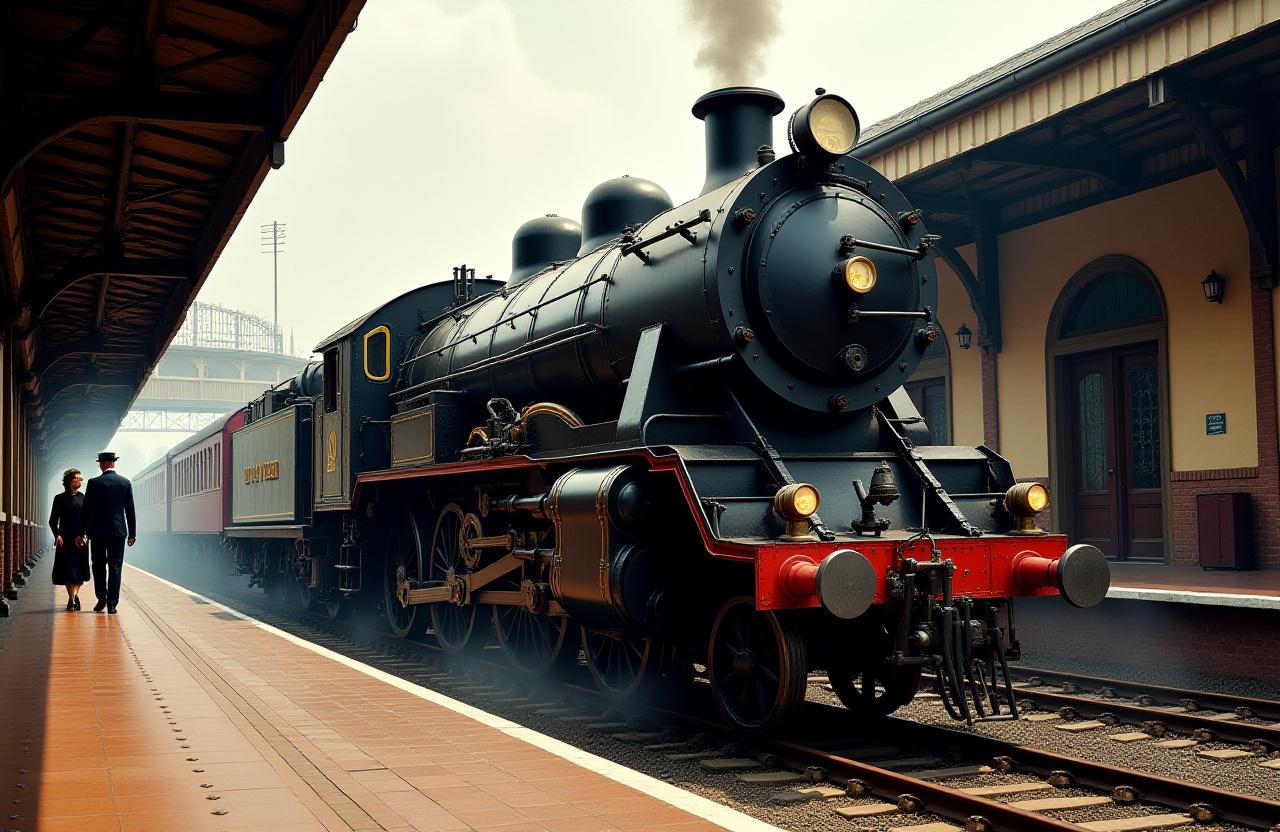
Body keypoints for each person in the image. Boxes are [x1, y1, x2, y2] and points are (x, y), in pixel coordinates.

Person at [82, 451, 136, 615]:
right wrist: (132, 534)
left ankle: (101, 598)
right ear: (113, 462)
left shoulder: (94, 483)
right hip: (118, 532)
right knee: (116, 567)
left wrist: (82, 532)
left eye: (100, 462)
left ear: (104, 463)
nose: (99, 465)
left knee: (98, 566)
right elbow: (130, 510)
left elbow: (86, 510)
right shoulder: (125, 483)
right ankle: (112, 604)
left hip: (97, 531)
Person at [48, 468, 89, 611]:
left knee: (80, 573)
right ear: (70, 481)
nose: (81, 481)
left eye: (81, 479)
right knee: (67, 572)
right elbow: (52, 521)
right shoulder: (59, 499)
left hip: (80, 540)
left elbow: (88, 520)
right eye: (78, 478)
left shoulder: (84, 498)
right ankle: (72, 600)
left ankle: (73, 598)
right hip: (64, 540)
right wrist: (57, 535)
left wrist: (85, 536)